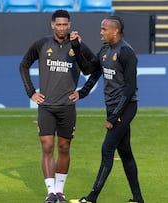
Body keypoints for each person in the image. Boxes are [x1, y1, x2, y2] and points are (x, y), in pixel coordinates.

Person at [19, 9, 95, 203]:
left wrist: (83, 92)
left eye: (65, 24)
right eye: (58, 24)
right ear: (52, 25)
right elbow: (24, 65)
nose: (62, 28)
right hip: (46, 106)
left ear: (69, 25)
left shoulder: (78, 45)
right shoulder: (42, 44)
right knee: (47, 146)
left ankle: (60, 192)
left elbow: (93, 69)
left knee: (64, 147)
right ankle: (50, 192)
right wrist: (31, 92)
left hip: (67, 107)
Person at [69, 15, 145, 203]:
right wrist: (77, 48)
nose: (100, 32)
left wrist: (113, 117)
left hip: (125, 108)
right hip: (113, 107)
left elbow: (129, 88)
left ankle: (92, 197)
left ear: (115, 31)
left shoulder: (126, 53)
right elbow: (88, 70)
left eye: (104, 29)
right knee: (125, 152)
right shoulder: (105, 50)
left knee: (107, 149)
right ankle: (138, 199)